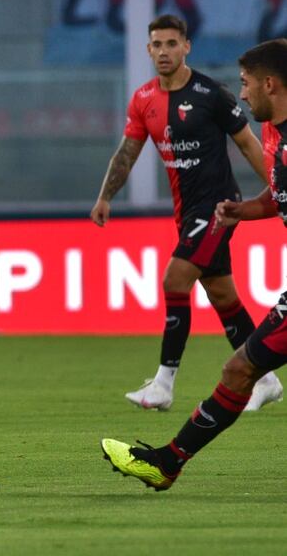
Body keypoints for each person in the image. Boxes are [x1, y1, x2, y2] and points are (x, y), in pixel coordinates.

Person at [101, 38, 287, 491]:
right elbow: (278, 196)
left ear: (269, 84)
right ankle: (168, 461)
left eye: (246, 85)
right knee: (239, 367)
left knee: (230, 355)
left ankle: (167, 447)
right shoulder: (273, 133)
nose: (242, 95)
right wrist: (244, 210)